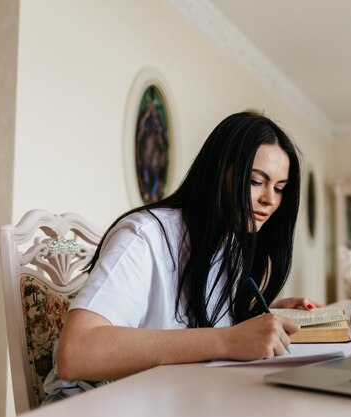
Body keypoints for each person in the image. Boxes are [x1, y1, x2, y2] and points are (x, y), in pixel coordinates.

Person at [55, 111, 321, 384]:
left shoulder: (229, 243)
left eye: (279, 188)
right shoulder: (144, 235)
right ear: (218, 171)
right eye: (255, 181)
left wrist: (267, 317)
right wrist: (227, 340)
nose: (269, 200)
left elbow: (200, 328)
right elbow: (76, 353)